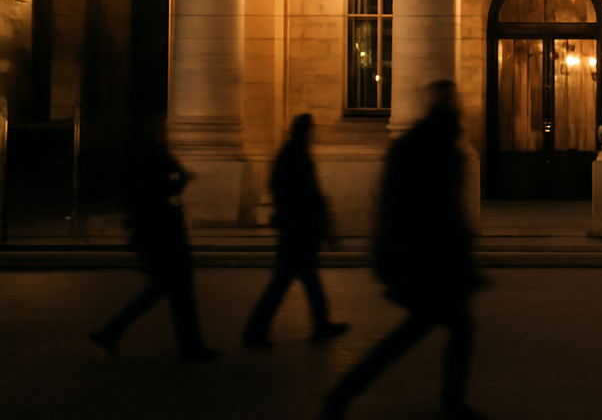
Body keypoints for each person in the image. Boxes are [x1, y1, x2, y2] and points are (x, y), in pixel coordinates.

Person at [325, 81, 484, 420]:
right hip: (427, 262)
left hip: (428, 260)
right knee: (431, 333)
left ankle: (346, 392)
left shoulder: (432, 143)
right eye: (452, 100)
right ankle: (449, 403)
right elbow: (425, 210)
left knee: (426, 332)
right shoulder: (429, 146)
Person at [89, 116, 217, 363]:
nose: (166, 132)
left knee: (163, 288)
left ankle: (111, 332)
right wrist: (180, 177)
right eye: (162, 128)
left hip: (148, 230)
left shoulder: (133, 157)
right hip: (164, 230)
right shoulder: (156, 156)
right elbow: (168, 185)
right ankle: (190, 347)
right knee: (178, 290)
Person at [242, 113, 350, 347]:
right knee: (286, 281)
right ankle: (255, 331)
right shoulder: (294, 156)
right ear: (303, 131)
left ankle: (319, 323)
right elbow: (303, 193)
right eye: (310, 130)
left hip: (298, 227)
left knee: (303, 279)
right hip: (298, 228)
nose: (313, 135)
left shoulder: (294, 155)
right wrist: (320, 223)